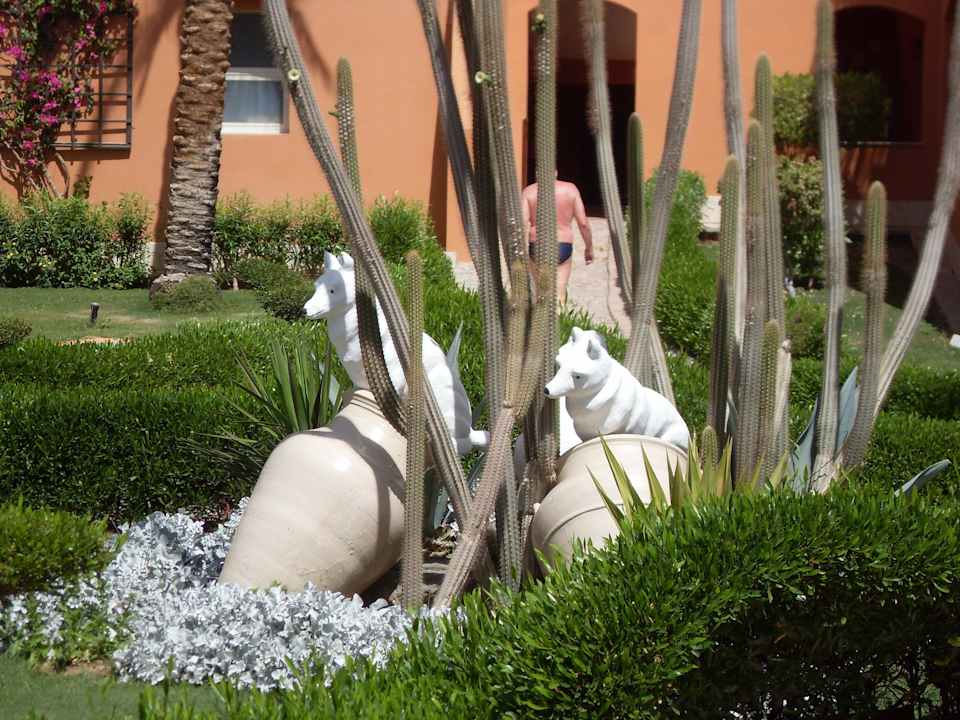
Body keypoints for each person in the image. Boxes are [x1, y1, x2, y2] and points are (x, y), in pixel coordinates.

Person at [521, 174, 593, 305]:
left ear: (538, 172)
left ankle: (539, 317)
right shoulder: (571, 189)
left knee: (541, 296)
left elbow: (521, 224)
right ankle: (558, 317)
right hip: (562, 245)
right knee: (559, 295)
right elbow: (583, 223)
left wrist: (521, 253)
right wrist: (589, 248)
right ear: (555, 172)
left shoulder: (529, 191)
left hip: (537, 245)